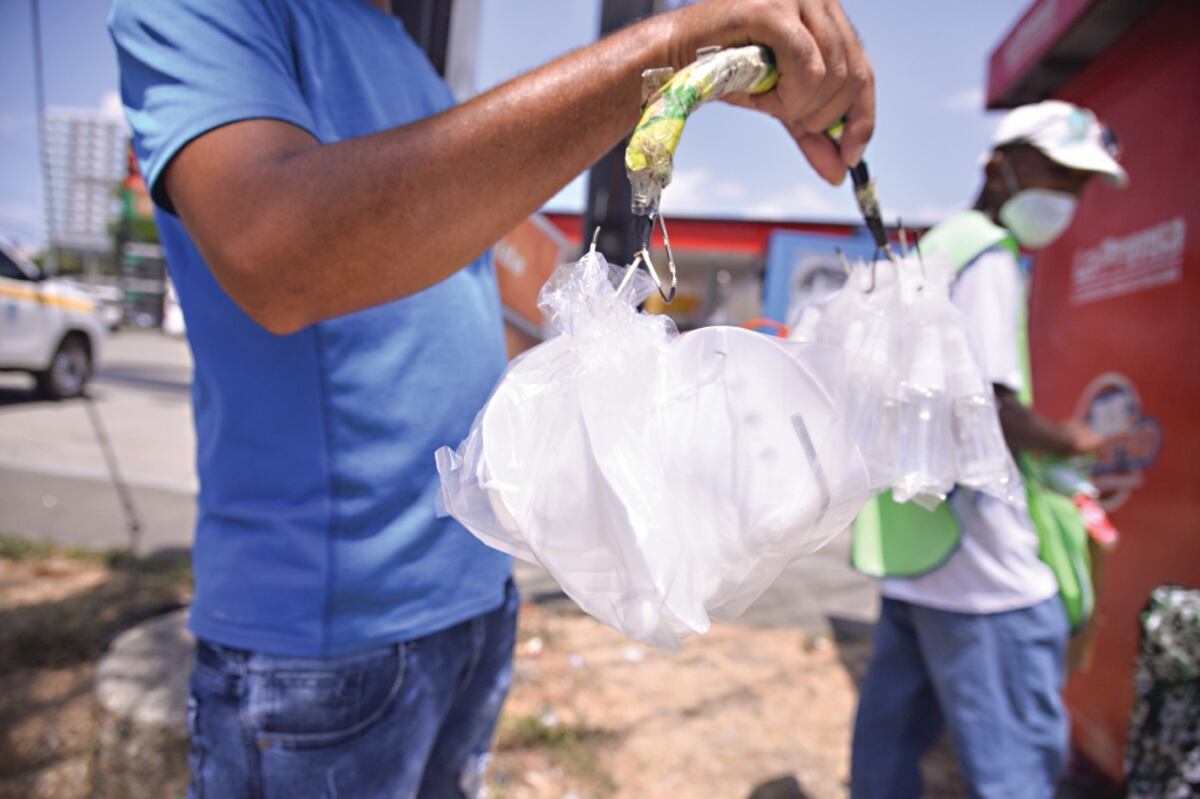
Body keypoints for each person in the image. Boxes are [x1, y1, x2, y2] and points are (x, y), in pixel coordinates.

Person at [107, 1, 875, 796]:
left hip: (472, 603)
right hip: (324, 646)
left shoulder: (398, 50)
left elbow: (454, 294)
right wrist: (675, 48)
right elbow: (279, 250)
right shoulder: (207, 13)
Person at [849, 100, 1127, 799]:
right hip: (984, 570)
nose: (1067, 196)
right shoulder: (989, 256)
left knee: (887, 753)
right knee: (1016, 769)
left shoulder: (938, 245)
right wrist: (1073, 437)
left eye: (1079, 184)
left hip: (917, 547)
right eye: (1057, 174)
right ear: (1000, 167)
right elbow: (990, 410)